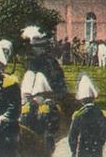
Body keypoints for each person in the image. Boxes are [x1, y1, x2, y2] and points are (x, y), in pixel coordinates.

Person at [19, 25, 65, 155]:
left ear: (43, 47)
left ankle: (47, 142)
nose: (35, 50)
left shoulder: (51, 62)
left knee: (46, 115)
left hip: (47, 96)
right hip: (29, 97)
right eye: (34, 47)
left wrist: (49, 96)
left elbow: (58, 83)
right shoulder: (31, 62)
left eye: (37, 47)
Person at [68, 74, 106, 157]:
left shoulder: (78, 115)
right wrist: (100, 143)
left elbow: (72, 136)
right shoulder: (101, 114)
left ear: (82, 101)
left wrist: (73, 150)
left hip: (82, 149)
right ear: (93, 98)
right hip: (97, 148)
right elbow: (104, 132)